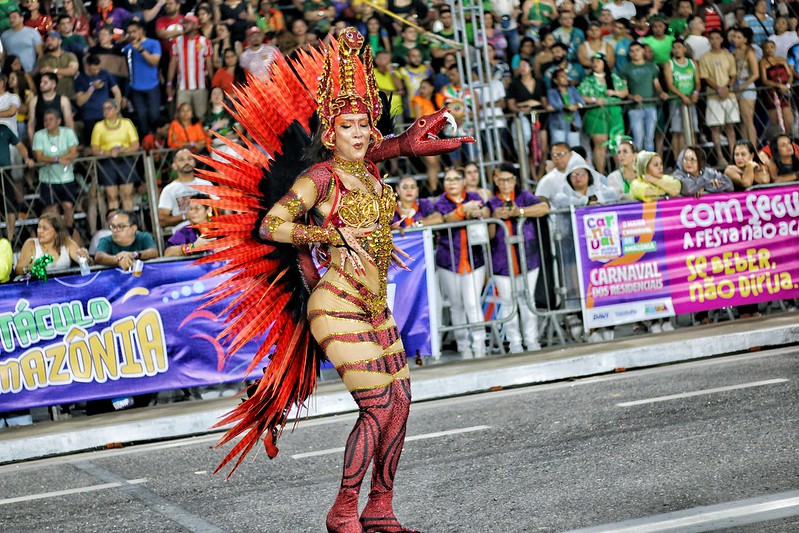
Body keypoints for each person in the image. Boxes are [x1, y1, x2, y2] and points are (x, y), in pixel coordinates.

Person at [204, 28, 471, 532]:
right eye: (348, 125)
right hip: (335, 302)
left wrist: (406, 143)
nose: (359, 132)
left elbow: (380, 156)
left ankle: (380, 508)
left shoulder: (369, 173)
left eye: (365, 124)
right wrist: (326, 238)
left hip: (375, 304)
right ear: (330, 133)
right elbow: (273, 224)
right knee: (377, 405)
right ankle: (343, 510)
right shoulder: (321, 178)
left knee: (401, 405)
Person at [487, 163, 548, 353]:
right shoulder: (491, 203)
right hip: (502, 260)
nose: (506, 184)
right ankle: (514, 343)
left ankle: (532, 340)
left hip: (527, 257)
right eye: (502, 180)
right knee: (507, 302)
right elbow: (488, 234)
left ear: (515, 180)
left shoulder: (523, 197)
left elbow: (544, 207)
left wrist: (519, 212)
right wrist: (494, 217)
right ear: (496, 181)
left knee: (527, 299)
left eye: (510, 179)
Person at [434, 166, 490, 359]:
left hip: (474, 259)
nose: (452, 183)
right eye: (448, 179)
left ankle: (480, 344)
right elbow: (444, 218)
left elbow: (486, 212)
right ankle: (464, 345)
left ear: (463, 182)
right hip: (448, 261)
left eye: (456, 179)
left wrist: (478, 211)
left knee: (473, 302)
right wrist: (463, 211)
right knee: (456, 305)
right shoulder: (440, 202)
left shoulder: (474, 196)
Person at [578, 53, 627, 174]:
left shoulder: (614, 78)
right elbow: (580, 95)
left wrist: (615, 93)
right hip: (596, 113)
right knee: (600, 143)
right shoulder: (588, 80)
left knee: (617, 142)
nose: (595, 64)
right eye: (593, 61)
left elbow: (625, 91)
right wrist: (594, 100)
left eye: (598, 61)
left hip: (614, 111)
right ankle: (601, 174)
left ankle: (621, 172)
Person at [31, 109, 79, 233]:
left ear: (59, 121)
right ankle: (55, 234)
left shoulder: (68, 133)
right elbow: (39, 157)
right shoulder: (39, 135)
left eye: (51, 119)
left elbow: (73, 152)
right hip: (47, 179)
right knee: (51, 210)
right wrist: (57, 159)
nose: (47, 122)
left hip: (66, 177)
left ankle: (68, 233)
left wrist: (60, 158)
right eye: (45, 120)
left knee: (68, 207)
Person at [699, 29, 739, 166]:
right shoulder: (704, 57)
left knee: (730, 126)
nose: (715, 40)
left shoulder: (728, 55)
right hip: (713, 95)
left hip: (729, 95)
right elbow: (705, 77)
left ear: (722, 39)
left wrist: (727, 88)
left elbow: (733, 74)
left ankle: (734, 155)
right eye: (712, 38)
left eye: (717, 37)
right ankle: (720, 156)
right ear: (709, 40)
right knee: (715, 128)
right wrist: (718, 88)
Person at [91, 99, 139, 212]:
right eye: (104, 109)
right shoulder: (98, 126)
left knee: (127, 194)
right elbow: (95, 149)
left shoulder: (127, 123)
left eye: (109, 108)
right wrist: (108, 152)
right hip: (107, 161)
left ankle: (128, 221)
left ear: (117, 109)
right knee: (112, 196)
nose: (106, 111)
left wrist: (122, 150)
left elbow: (135, 145)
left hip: (125, 159)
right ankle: (115, 223)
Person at [621, 41, 667, 154]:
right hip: (634, 108)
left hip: (650, 105)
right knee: (638, 138)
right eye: (632, 51)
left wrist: (661, 93)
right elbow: (623, 89)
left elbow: (656, 84)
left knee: (650, 138)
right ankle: (638, 165)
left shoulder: (651, 67)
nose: (635, 53)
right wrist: (632, 96)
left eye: (637, 50)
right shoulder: (626, 68)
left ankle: (649, 164)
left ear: (642, 51)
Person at [167, 14, 213, 120]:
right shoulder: (177, 41)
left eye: (188, 23)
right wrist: (169, 84)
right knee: (181, 118)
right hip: (183, 87)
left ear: (197, 25)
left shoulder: (204, 41)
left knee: (201, 117)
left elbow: (209, 65)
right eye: (184, 22)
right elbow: (172, 64)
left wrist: (212, 85)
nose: (184, 25)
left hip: (200, 87)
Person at [14, 212, 89, 275]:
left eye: (44, 228)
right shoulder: (31, 244)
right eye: (39, 227)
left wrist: (85, 257)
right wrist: (31, 267)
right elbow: (18, 270)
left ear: (56, 232)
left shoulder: (67, 243)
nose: (39, 231)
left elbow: (88, 263)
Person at [123, 19, 161, 136]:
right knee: (141, 118)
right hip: (135, 88)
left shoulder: (153, 43)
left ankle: (156, 146)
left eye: (134, 31)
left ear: (141, 30)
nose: (132, 35)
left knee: (154, 116)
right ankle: (145, 146)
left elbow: (154, 61)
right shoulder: (128, 48)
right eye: (129, 32)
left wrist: (140, 49)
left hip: (152, 86)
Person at [158, 148, 212, 229]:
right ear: (174, 166)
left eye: (189, 159)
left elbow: (219, 210)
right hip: (183, 237)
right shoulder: (169, 190)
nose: (186, 162)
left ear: (194, 162)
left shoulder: (206, 184)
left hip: (208, 232)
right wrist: (185, 216)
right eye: (181, 160)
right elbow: (162, 221)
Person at [663, 38, 700, 159]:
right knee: (677, 132)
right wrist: (682, 96)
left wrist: (695, 93)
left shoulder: (692, 63)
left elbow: (697, 82)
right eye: (674, 48)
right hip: (676, 101)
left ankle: (694, 157)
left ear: (684, 49)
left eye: (679, 47)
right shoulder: (670, 64)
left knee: (693, 130)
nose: (676, 50)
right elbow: (670, 84)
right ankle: (678, 159)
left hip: (690, 101)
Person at [75, 54, 121, 146]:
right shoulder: (80, 79)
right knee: (93, 144)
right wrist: (92, 88)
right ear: (87, 66)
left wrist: (116, 109)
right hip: (90, 117)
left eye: (98, 68)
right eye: (94, 69)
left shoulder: (105, 73)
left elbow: (117, 92)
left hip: (107, 115)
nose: (97, 71)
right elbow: (79, 102)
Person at [93, 210, 158, 268]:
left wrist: (133, 255)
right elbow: (99, 256)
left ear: (133, 229)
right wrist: (117, 259)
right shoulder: (105, 240)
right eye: (113, 226)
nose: (115, 230)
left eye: (121, 226)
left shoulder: (144, 237)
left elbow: (153, 252)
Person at [731, 27, 760, 146]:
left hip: (746, 84)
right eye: (734, 37)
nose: (735, 39)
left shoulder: (749, 52)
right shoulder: (733, 52)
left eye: (738, 37)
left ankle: (753, 147)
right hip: (736, 84)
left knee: (748, 118)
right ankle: (745, 146)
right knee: (742, 120)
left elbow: (755, 74)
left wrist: (743, 85)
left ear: (745, 39)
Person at [760, 39, 795, 135]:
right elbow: (764, 79)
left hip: (785, 89)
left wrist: (787, 85)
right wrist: (778, 86)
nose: (769, 50)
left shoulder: (781, 59)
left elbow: (790, 74)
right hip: (772, 91)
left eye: (771, 47)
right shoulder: (763, 63)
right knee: (775, 117)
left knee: (787, 113)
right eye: (767, 48)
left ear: (775, 48)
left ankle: (791, 137)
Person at [27, 72, 73, 142]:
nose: (41, 84)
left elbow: (69, 123)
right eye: (41, 82)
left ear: (53, 84)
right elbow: (31, 124)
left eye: (45, 82)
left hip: (60, 139)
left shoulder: (63, 100)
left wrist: (69, 142)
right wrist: (32, 143)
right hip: (41, 139)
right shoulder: (34, 101)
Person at [547, 68, 584, 151]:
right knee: (560, 149)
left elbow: (582, 101)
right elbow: (553, 104)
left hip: (573, 124)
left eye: (566, 76)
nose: (565, 78)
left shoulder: (572, 90)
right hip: (558, 125)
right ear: (555, 80)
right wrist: (565, 106)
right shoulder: (552, 92)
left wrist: (577, 105)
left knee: (575, 149)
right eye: (562, 76)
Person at [36, 30, 79, 100]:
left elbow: (72, 71)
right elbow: (48, 76)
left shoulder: (70, 55)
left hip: (70, 97)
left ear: (60, 41)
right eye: (47, 40)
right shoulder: (43, 59)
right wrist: (65, 72)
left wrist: (52, 70)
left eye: (52, 39)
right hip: (51, 98)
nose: (49, 42)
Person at [1, 10, 42, 74]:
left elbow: (40, 53)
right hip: (12, 73)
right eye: (10, 18)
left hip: (31, 71)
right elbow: (4, 55)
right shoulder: (4, 35)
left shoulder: (32, 32)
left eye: (14, 17)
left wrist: (37, 70)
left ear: (21, 18)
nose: (11, 20)